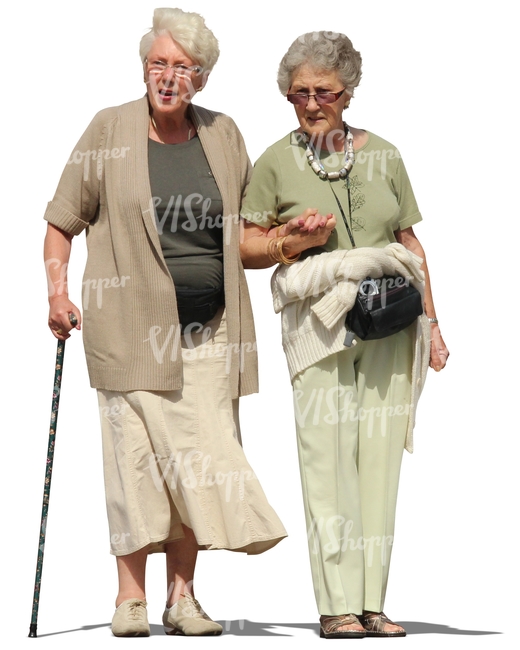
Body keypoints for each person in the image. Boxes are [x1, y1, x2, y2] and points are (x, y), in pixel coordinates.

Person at [43, 7, 286, 638]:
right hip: (125, 331)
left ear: (201, 79)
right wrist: (57, 294)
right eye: (159, 63)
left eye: (182, 67)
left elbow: (251, 235)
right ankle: (129, 600)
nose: (168, 76)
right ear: (143, 68)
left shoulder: (224, 134)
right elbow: (62, 218)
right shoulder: (109, 129)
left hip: (211, 334)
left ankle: (183, 597)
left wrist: (294, 240)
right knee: (135, 464)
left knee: (197, 466)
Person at [240, 31, 448, 639]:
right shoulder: (276, 160)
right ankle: (336, 605)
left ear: (347, 92)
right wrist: (292, 241)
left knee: (379, 463)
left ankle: (373, 602)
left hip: (390, 320)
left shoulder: (384, 153)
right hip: (317, 328)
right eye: (298, 93)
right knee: (326, 462)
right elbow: (247, 247)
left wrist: (433, 325)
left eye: (323, 93)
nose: (310, 105)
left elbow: (410, 243)